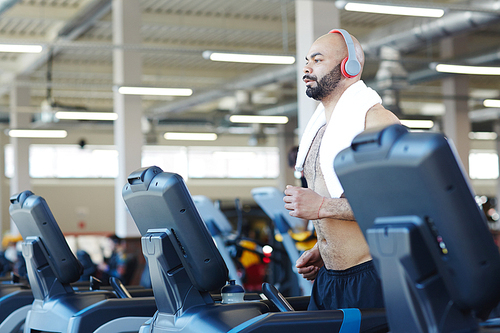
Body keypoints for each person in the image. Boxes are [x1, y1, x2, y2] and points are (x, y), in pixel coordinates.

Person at [283, 29, 400, 310]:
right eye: (307, 60)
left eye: (318, 60)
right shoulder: (320, 129)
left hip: (372, 277)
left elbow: (396, 207)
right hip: (329, 279)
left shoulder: (378, 123)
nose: (307, 67)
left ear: (349, 66)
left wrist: (322, 206)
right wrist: (322, 250)